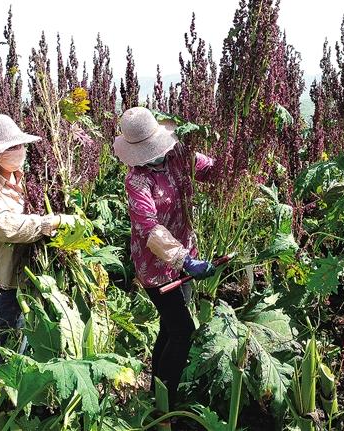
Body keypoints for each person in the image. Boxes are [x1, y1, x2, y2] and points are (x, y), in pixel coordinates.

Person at [114, 107, 217, 408]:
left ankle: (155, 392)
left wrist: (231, 169)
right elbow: (148, 227)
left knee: (169, 328)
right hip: (155, 266)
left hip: (185, 251)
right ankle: (166, 406)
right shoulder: (136, 180)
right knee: (183, 330)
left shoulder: (177, 155)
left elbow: (208, 169)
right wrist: (183, 260)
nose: (153, 156)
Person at [0, 114, 70, 364]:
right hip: (8, 287)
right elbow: (7, 228)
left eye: (21, 145)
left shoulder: (23, 179)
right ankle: (5, 404)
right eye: (14, 146)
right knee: (13, 359)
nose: (22, 150)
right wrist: (52, 221)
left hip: (38, 279)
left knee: (45, 354)